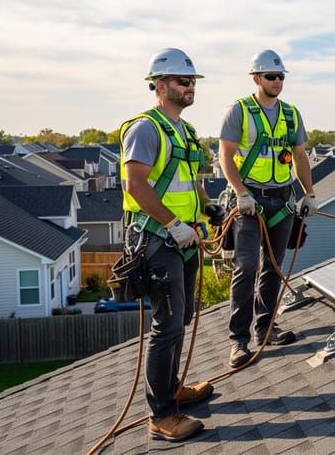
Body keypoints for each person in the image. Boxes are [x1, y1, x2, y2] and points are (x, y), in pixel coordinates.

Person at [120, 47, 225, 442]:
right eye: (183, 81)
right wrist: (173, 224)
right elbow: (136, 185)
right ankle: (162, 414)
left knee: (181, 319)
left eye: (192, 81)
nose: (190, 87)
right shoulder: (146, 129)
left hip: (183, 237)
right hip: (157, 239)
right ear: (160, 85)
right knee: (167, 324)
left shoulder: (184, 131)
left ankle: (172, 387)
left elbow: (189, 182)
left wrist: (207, 206)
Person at [218, 49, 317, 369]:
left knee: (273, 267)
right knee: (245, 267)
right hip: (251, 200)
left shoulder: (291, 114)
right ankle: (238, 340)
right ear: (256, 79)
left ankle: (265, 328)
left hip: (282, 200)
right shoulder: (239, 111)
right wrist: (240, 193)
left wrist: (309, 193)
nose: (277, 81)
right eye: (271, 76)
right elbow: (224, 155)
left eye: (281, 76)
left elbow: (300, 156)